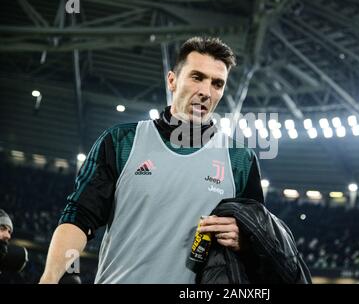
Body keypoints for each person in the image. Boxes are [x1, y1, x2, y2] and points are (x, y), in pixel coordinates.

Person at [40, 36, 265, 284]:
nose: (205, 92)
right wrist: (49, 278)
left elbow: (259, 242)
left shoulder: (240, 160)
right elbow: (80, 217)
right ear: (172, 80)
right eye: (197, 77)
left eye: (217, 83)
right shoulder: (121, 141)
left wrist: (244, 241)